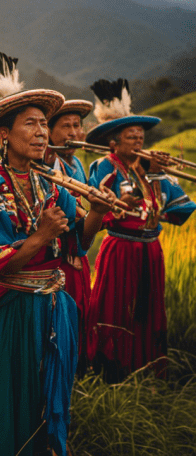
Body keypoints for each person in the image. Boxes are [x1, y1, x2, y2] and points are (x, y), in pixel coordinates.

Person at [0, 52, 113, 456]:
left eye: (44, 124)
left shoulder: (53, 184)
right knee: (12, 395)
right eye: (31, 124)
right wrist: (39, 237)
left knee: (47, 391)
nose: (42, 133)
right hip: (13, 313)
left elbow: (77, 244)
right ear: (4, 133)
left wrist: (95, 212)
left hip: (52, 306)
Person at [84, 78, 195, 383]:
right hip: (121, 250)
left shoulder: (147, 171)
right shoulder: (104, 167)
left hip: (149, 251)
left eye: (140, 136)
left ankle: (146, 375)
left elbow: (174, 210)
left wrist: (158, 175)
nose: (138, 142)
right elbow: (99, 206)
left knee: (147, 312)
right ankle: (111, 374)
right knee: (118, 310)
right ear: (113, 142)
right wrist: (119, 202)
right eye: (130, 136)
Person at [44, 99, 93, 376]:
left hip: (77, 258)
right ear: (50, 133)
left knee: (78, 322)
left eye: (77, 126)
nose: (73, 133)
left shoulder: (76, 165)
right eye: (65, 126)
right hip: (58, 263)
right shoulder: (51, 165)